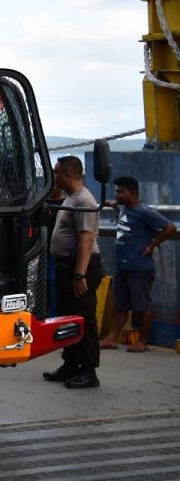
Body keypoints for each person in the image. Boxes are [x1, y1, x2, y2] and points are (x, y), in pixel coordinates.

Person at [42, 155, 105, 389]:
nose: (54, 176)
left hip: (81, 267)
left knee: (83, 318)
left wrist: (80, 275)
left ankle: (89, 371)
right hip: (66, 266)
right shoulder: (71, 199)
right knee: (68, 317)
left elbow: (86, 241)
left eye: (57, 173)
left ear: (68, 175)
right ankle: (70, 364)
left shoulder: (84, 201)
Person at [99, 176, 176, 352]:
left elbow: (170, 227)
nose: (116, 194)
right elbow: (115, 204)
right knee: (121, 305)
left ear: (131, 193)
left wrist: (151, 246)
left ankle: (143, 340)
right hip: (122, 266)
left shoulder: (145, 212)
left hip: (139, 267)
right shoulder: (123, 207)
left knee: (143, 306)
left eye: (120, 191)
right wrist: (110, 202)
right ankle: (112, 338)